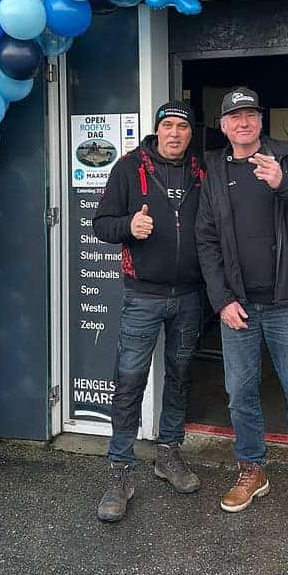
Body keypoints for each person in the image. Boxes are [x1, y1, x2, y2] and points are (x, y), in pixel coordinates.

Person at [195, 87, 288, 541]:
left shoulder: (287, 158)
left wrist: (283, 183)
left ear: (261, 120)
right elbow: (206, 239)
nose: (243, 122)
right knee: (240, 393)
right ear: (223, 125)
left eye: (250, 114)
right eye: (234, 116)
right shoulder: (214, 169)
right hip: (237, 303)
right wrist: (221, 299)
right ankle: (252, 470)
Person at [92, 100, 205, 522]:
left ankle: (168, 452)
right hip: (143, 295)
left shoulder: (200, 172)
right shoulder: (127, 168)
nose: (174, 133)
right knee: (130, 380)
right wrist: (128, 227)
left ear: (191, 133)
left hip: (191, 295)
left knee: (180, 375)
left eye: (182, 126)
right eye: (167, 126)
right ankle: (120, 470)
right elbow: (101, 223)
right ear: (157, 131)